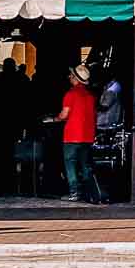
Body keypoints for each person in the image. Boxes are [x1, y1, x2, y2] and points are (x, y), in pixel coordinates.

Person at [48, 64, 102, 204]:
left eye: (71, 76)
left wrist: (54, 119)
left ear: (76, 79)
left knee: (70, 164)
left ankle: (74, 192)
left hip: (72, 135)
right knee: (85, 165)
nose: (69, 77)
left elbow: (64, 115)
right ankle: (89, 192)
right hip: (87, 136)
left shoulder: (70, 94)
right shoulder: (91, 96)